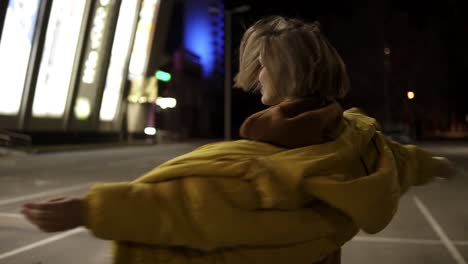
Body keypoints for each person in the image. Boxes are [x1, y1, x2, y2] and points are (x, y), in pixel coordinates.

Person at [22, 16, 457, 264]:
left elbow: (187, 205)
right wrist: (434, 165)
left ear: (288, 72)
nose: (258, 77)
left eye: (264, 66)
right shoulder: (358, 139)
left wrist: (89, 208)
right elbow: (403, 161)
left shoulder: (264, 161)